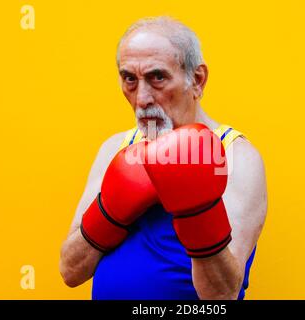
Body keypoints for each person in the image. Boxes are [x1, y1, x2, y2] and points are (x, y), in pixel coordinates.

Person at [59, 16, 267, 300]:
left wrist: (196, 208)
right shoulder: (115, 149)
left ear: (197, 79)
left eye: (157, 77)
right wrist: (109, 212)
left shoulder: (235, 157)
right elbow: (70, 271)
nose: (142, 98)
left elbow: (222, 295)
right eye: (129, 78)